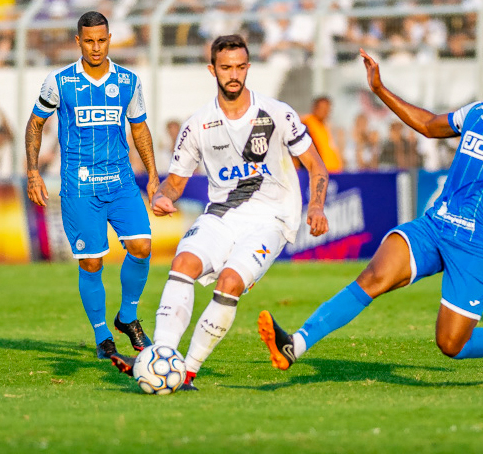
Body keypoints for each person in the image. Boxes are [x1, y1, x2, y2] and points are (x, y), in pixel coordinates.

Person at [258, 49, 483, 382]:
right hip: (435, 226)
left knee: (451, 344)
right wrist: (379, 88)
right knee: (372, 277)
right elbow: (428, 124)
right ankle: (296, 344)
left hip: (476, 246)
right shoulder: (477, 114)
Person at [109, 34, 330, 390]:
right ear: (212, 69)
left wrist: (316, 206)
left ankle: (188, 372)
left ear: (248, 68)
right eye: (226, 67)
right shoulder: (198, 124)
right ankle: (161, 356)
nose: (234, 75)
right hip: (221, 214)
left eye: (240, 67)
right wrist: (162, 196)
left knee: (229, 283)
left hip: (270, 221)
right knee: (183, 264)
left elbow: (316, 167)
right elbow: (174, 184)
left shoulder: (277, 113)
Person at [25, 10, 159, 360]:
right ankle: (103, 337)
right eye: (89, 41)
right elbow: (35, 124)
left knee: (142, 247)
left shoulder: (128, 81)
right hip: (80, 188)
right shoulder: (60, 82)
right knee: (91, 263)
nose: (96, 47)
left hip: (121, 183)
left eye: (102, 40)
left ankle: (126, 317)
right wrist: (33, 172)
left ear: (109, 39)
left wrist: (154, 176)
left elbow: (140, 129)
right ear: (78, 41)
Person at [300, 96, 344, 173]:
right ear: (315, 108)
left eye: (327, 109)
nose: (325, 112)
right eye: (323, 109)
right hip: (318, 173)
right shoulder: (307, 124)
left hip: (333, 171)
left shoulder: (325, 126)